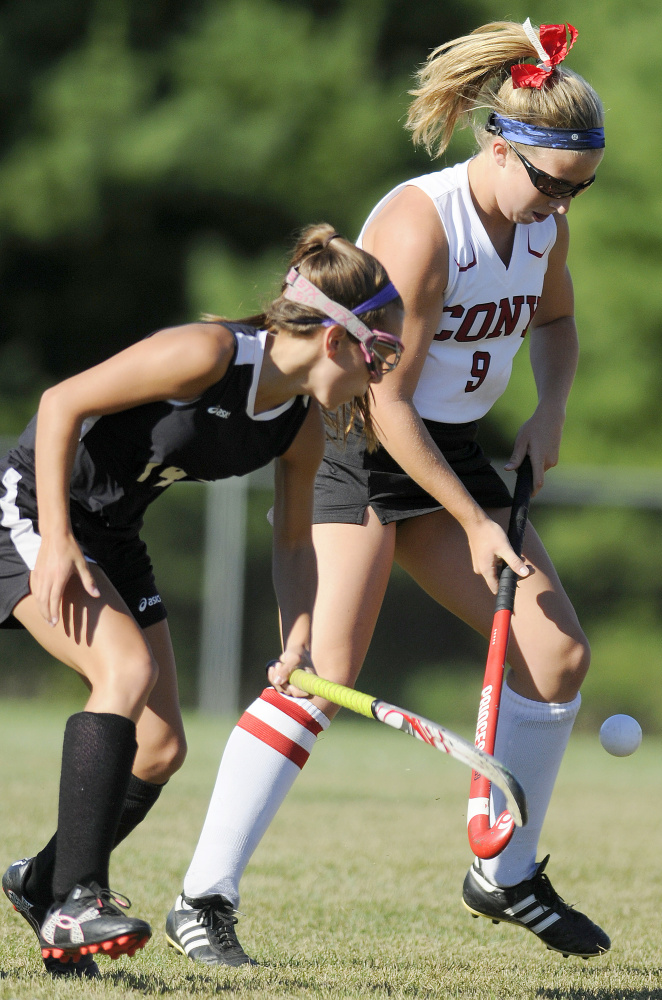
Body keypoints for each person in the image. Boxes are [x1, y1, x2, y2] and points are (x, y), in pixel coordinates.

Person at [167, 17, 610, 966]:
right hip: (369, 448)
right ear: (501, 145)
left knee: (560, 657)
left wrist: (552, 409)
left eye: (583, 186)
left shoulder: (544, 223)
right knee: (323, 669)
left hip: (456, 451)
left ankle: (505, 872)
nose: (565, 205)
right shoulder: (422, 225)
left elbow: (559, 323)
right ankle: (203, 897)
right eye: (552, 183)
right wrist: (472, 521)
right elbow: (389, 398)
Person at [0, 223, 403, 978]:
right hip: (29, 508)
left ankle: (40, 884)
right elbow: (59, 405)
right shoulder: (207, 353)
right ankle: (77, 900)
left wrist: (299, 637)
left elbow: (291, 540)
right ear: (337, 339)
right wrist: (54, 538)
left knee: (160, 749)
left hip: (113, 532)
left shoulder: (298, 424)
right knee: (122, 674)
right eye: (383, 352)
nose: (381, 374)